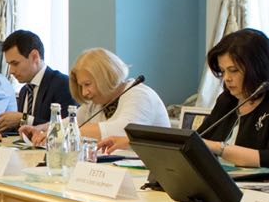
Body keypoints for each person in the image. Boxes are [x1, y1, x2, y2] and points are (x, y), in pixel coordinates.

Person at [190, 29, 269, 171]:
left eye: (233, 70)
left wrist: (219, 148)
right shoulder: (226, 101)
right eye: (223, 71)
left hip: (266, 184)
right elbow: (199, 140)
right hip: (221, 180)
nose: (226, 78)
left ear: (256, 68)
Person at [23, 48, 167, 147]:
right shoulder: (98, 100)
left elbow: (121, 130)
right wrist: (41, 129)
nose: (84, 92)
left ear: (105, 77)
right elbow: (72, 122)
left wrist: (58, 133)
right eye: (81, 86)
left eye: (87, 84)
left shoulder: (140, 95)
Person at [0, 29, 75, 131]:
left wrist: (23, 118)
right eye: (9, 65)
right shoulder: (24, 91)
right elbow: (24, 129)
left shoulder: (63, 84)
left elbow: (67, 126)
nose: (11, 71)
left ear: (35, 57)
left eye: (15, 63)